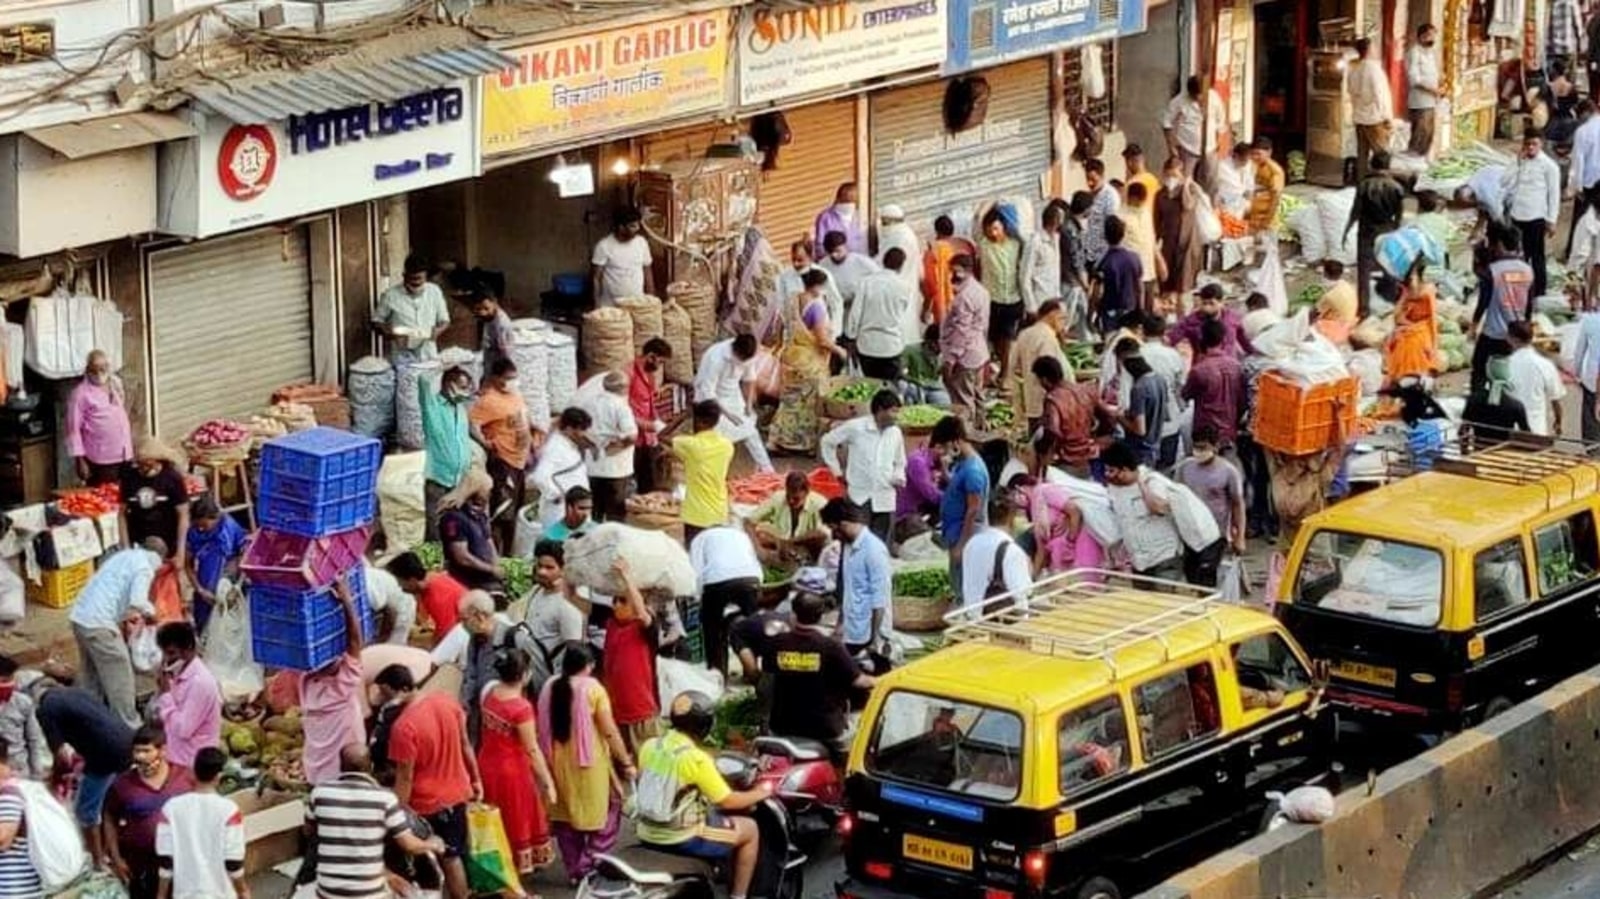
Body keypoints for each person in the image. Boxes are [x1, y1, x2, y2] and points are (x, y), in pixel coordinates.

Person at [635, 692, 772, 899]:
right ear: (705, 725)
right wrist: (761, 792)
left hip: (646, 829)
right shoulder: (696, 759)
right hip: (680, 836)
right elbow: (728, 800)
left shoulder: (650, 746)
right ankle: (739, 895)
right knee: (750, 829)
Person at [377, 662, 481, 899]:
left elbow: (405, 776)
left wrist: (397, 811)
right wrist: (476, 779)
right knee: (456, 853)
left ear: (397, 689)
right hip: (458, 793)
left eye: (384, 693)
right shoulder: (447, 702)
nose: (382, 700)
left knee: (442, 859)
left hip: (427, 804)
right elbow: (466, 744)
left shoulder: (404, 728)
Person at [538, 644, 634, 885]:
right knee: (608, 812)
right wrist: (625, 760)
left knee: (566, 819)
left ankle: (574, 871)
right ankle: (586, 866)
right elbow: (609, 731)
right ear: (589, 665)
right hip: (588, 765)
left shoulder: (550, 686)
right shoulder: (593, 689)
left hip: (556, 762)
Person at [305, 744, 445, 899]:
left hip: (328, 891)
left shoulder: (319, 793)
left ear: (340, 766)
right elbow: (410, 845)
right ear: (370, 767)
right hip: (368, 893)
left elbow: (309, 831)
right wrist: (434, 843)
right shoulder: (385, 799)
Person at [32, 680, 134, 862]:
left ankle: (98, 862)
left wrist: (53, 783)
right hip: (128, 741)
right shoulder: (78, 692)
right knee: (110, 803)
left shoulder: (45, 709)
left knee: (85, 813)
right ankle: (112, 852)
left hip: (105, 755)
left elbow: (60, 754)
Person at [480, 648, 558, 876]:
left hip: (487, 763)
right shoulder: (521, 708)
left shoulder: (490, 694)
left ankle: (495, 871)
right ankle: (512, 876)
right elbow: (532, 749)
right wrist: (548, 782)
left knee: (495, 820)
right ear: (524, 674)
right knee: (516, 820)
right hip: (512, 772)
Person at [767, 592, 874, 758]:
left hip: (782, 725)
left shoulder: (777, 643)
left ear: (793, 614)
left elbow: (766, 673)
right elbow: (860, 682)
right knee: (860, 743)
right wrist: (882, 680)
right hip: (825, 728)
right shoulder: (831, 646)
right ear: (821, 617)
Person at [1101, 441, 1222, 585]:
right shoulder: (1114, 489)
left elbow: (1158, 508)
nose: (1107, 475)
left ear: (1125, 470)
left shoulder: (1154, 482)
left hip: (1164, 557)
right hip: (1139, 560)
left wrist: (1142, 485)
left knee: (1164, 602)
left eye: (1111, 470)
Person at [70, 540, 161, 728]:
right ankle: (128, 725)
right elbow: (138, 601)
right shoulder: (145, 566)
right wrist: (152, 613)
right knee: (120, 672)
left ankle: (85, 719)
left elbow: (116, 594)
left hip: (79, 616)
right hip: (98, 623)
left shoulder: (123, 556)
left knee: (92, 674)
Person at [104, 727, 195, 899]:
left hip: (184, 863)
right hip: (143, 867)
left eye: (146, 750)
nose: (140, 756)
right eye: (137, 751)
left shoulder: (185, 777)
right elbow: (109, 818)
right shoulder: (122, 785)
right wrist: (116, 858)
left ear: (162, 750)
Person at [771, 266, 847, 457]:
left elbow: (779, 324)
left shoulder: (792, 300)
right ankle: (803, 444)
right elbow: (822, 340)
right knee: (808, 403)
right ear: (817, 287)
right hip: (809, 361)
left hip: (791, 357)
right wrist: (839, 351)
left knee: (789, 401)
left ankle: (780, 440)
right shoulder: (816, 307)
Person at [297, 578, 367, 786]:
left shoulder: (306, 684)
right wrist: (346, 597)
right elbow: (355, 641)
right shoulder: (342, 687)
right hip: (340, 775)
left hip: (316, 774)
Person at [154, 747, 247, 899]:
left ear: (193, 773)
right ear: (219, 776)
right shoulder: (229, 810)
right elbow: (233, 860)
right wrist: (243, 891)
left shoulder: (171, 808)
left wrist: (161, 895)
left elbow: (166, 860)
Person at [820, 390, 906, 544]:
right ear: (880, 409)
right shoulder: (856, 427)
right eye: (893, 411)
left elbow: (900, 461)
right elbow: (827, 442)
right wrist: (837, 472)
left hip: (885, 496)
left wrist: (898, 477)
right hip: (860, 496)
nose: (896, 416)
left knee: (881, 544)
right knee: (857, 542)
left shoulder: (895, 433)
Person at [469, 358, 534, 547]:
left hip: (520, 461)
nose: (513, 381)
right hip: (504, 462)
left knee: (516, 508)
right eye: (508, 378)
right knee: (503, 511)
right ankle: (498, 552)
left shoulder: (515, 395)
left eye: (514, 377)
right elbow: (472, 424)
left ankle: (510, 550)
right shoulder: (488, 401)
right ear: (496, 378)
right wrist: (485, 443)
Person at [603, 558, 660, 754]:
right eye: (615, 600)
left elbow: (641, 612)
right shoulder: (611, 624)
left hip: (641, 712)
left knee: (648, 763)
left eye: (623, 601)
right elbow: (577, 602)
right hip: (616, 711)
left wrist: (626, 576)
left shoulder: (643, 628)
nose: (616, 605)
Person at [690, 525, 762, 678]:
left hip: (716, 580)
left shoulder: (700, 538)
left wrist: (699, 599)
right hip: (751, 578)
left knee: (713, 629)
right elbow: (754, 559)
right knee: (750, 627)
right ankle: (752, 672)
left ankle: (718, 674)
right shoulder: (740, 534)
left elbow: (696, 570)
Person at [695, 334, 773, 472]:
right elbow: (708, 392)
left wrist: (748, 405)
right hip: (710, 401)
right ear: (735, 351)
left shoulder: (750, 354)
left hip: (733, 396)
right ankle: (716, 473)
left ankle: (767, 470)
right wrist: (728, 415)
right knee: (717, 441)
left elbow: (750, 379)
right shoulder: (715, 358)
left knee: (750, 431)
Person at [1473, 224, 1535, 394]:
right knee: (1505, 374)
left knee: (1480, 370)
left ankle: (1479, 407)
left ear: (1500, 244)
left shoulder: (1493, 271)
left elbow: (1483, 301)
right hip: (1516, 333)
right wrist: (1527, 326)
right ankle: (1500, 403)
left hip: (1493, 332)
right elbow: (1530, 303)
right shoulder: (1528, 270)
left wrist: (1474, 324)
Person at [1503, 129, 1562, 302]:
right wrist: (1517, 163)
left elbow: (1554, 195)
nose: (1530, 148)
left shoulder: (1550, 166)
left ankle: (1539, 292)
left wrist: (1552, 220)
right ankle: (1516, 289)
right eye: (1527, 144)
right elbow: (1504, 181)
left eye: (1534, 144)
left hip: (1536, 217)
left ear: (1541, 145)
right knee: (1517, 254)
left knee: (1536, 255)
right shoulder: (1519, 162)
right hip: (1516, 215)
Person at [151, 622, 221, 769]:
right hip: (173, 755)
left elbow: (183, 730)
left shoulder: (200, 683)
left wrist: (165, 695)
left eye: (171, 653)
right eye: (163, 652)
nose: (166, 659)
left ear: (188, 649)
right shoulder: (176, 674)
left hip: (190, 762)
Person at [1345, 150, 1406, 317]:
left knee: (1364, 270)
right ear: (1388, 166)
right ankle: (1391, 304)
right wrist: (1397, 231)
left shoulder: (1364, 185)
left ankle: (1363, 310)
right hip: (1387, 230)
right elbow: (1399, 215)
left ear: (1372, 165)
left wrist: (1347, 230)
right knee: (1390, 266)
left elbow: (1355, 211)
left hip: (1366, 232)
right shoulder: (1397, 187)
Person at [932, 416, 989, 586]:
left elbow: (973, 509)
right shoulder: (964, 464)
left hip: (967, 538)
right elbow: (958, 487)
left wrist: (961, 546)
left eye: (946, 446)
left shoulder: (973, 470)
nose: (945, 451)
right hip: (955, 534)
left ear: (955, 442)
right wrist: (945, 473)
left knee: (963, 585)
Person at [1174, 429, 1247, 563]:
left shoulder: (1228, 471)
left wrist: (1240, 537)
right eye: (1196, 447)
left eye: (1203, 447)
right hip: (1189, 533)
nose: (1199, 451)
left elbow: (1238, 504)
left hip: (1217, 535)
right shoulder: (1184, 467)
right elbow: (1176, 496)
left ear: (1215, 447)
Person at [1010, 474, 1106, 575]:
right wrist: (1031, 580)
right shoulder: (1034, 509)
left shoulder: (1045, 490)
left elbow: (1075, 511)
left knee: (1087, 583)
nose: (1015, 501)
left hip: (1081, 547)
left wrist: (1069, 541)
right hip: (1061, 557)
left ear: (1020, 488)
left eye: (1013, 494)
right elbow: (1041, 551)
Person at [420, 365, 474, 541]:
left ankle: (452, 563)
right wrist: (443, 365)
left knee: (455, 528)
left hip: (459, 480)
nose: (465, 392)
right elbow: (423, 380)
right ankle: (434, 565)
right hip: (438, 481)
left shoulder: (460, 409)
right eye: (462, 386)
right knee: (435, 527)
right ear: (449, 385)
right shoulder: (433, 406)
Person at [955, 496, 1033, 615]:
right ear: (1011, 518)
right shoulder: (1012, 551)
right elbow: (1023, 591)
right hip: (1004, 622)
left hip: (972, 615)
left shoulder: (971, 543)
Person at [578, 371, 639, 523]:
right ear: (624, 388)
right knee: (615, 513)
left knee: (595, 510)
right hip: (616, 469)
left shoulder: (588, 403)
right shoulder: (621, 406)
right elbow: (631, 436)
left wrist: (595, 446)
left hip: (593, 467)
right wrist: (610, 448)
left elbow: (581, 432)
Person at [1033, 357, 1110, 477]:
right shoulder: (1085, 390)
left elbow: (1052, 431)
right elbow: (1107, 416)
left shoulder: (1053, 399)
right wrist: (1097, 438)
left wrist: (1041, 449)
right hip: (1086, 455)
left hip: (1065, 458)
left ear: (1044, 379)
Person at [66, 349, 133, 486]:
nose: (99, 373)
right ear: (87, 370)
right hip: (101, 459)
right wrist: (80, 460)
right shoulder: (80, 394)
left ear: (108, 367)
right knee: (104, 497)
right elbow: (73, 430)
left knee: (126, 494)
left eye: (103, 368)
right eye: (94, 369)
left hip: (124, 453)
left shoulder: (115, 384)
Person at [845, 249, 913, 380]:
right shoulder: (905, 287)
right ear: (901, 266)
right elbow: (903, 316)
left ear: (883, 262)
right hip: (891, 346)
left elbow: (855, 314)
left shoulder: (866, 282)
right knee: (889, 387)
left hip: (867, 345)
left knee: (870, 386)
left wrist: (851, 337)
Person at [673, 401, 735, 544]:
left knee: (694, 556)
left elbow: (661, 436)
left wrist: (682, 417)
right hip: (719, 511)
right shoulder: (727, 445)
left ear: (698, 421)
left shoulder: (691, 445)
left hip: (696, 515)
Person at [120, 438, 190, 565]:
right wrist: (125, 548)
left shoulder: (172, 478)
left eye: (147, 463)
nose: (142, 468)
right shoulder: (129, 478)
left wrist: (180, 552)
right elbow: (122, 513)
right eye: (140, 464)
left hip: (167, 540)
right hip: (138, 538)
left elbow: (183, 515)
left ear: (158, 461)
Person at [183, 495, 245, 635]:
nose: (201, 529)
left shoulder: (229, 528)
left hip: (227, 590)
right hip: (205, 591)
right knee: (204, 630)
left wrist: (236, 586)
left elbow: (243, 555)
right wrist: (200, 590)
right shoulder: (193, 533)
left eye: (204, 525)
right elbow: (188, 565)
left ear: (215, 518)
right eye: (198, 525)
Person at [976, 208, 1025, 386]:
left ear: (1004, 227)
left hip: (1013, 299)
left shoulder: (1016, 245)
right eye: (989, 230)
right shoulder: (983, 245)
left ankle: (1005, 374)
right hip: (992, 300)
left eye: (996, 229)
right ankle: (999, 369)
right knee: (995, 339)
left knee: (1008, 338)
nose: (993, 233)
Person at [939, 254, 990, 420]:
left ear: (967, 271)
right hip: (979, 352)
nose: (952, 275)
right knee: (977, 395)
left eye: (955, 271)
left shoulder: (964, 297)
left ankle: (967, 435)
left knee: (964, 401)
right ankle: (981, 430)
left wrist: (950, 360)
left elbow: (962, 331)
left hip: (965, 356)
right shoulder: (981, 291)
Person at [373, 253, 450, 364]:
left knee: (427, 380)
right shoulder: (390, 295)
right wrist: (391, 334)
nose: (416, 282)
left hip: (427, 352)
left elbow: (445, 321)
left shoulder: (434, 292)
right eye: (412, 280)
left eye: (419, 279)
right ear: (404, 275)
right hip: (401, 354)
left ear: (426, 276)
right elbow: (377, 322)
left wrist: (437, 331)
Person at [436, 469, 503, 594]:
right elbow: (462, 557)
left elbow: (489, 542)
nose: (490, 494)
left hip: (485, 579)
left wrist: (497, 565)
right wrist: (491, 569)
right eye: (487, 490)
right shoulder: (454, 518)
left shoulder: (480, 516)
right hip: (466, 581)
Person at [1183, 319, 1244, 454]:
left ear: (1202, 340)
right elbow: (1242, 400)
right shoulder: (1237, 367)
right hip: (1229, 429)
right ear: (1223, 340)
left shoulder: (1199, 370)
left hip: (1205, 430)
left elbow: (1185, 395)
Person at [522, 541, 588, 663]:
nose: (542, 572)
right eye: (540, 566)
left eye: (549, 568)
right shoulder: (536, 591)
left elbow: (574, 648)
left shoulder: (569, 605)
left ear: (564, 570)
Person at [746, 471, 829, 565]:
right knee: (760, 535)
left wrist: (790, 542)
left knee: (819, 538)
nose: (791, 501)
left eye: (796, 499)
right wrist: (759, 550)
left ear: (806, 492)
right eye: (788, 497)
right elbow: (748, 521)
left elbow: (823, 533)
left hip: (804, 544)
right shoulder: (778, 497)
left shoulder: (820, 503)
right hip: (780, 540)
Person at [1161, 76, 1229, 190]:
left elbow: (1221, 120)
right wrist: (1171, 146)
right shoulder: (1179, 101)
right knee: (1184, 181)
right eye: (1195, 95)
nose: (1198, 97)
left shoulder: (1214, 98)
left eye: (1201, 94)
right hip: (1187, 148)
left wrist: (1218, 141)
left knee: (1211, 181)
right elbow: (1166, 123)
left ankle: (1208, 206)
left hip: (1210, 148)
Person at [1154, 155, 1204, 311]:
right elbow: (1157, 220)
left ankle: (1184, 319)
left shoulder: (1191, 190)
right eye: (1168, 175)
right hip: (1168, 245)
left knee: (1184, 289)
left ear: (1181, 174)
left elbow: (1189, 206)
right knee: (1166, 286)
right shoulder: (1160, 195)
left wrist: (1186, 185)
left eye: (1174, 175)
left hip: (1187, 244)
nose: (1170, 179)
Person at [1012, 300, 1070, 431]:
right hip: (1047, 403)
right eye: (1062, 318)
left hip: (1031, 400)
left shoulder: (1024, 334)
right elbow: (1050, 373)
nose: (1064, 323)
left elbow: (1014, 367)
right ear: (1052, 315)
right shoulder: (1047, 337)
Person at [387, 552, 466, 646]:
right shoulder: (431, 580)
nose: (400, 586)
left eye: (400, 582)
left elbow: (447, 633)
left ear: (412, 580)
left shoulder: (436, 594)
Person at [628, 338, 674, 496]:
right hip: (632, 435)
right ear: (651, 356)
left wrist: (656, 420)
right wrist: (646, 425)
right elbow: (621, 409)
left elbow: (650, 401)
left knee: (648, 479)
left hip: (647, 437)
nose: (659, 366)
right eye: (660, 362)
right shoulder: (629, 373)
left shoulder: (650, 374)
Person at [1385, 260, 1442, 386]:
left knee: (1413, 344)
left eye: (1413, 276)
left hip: (1422, 330)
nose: (1411, 279)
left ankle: (1416, 378)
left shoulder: (1428, 291)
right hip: (1408, 329)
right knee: (1399, 341)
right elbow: (1397, 317)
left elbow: (1432, 320)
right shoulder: (1406, 292)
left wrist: (1433, 347)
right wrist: (1405, 296)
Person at [1505, 320, 1566, 436]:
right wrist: (1558, 423)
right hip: (1537, 430)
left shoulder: (1503, 365)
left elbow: (1493, 399)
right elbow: (1556, 400)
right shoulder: (1546, 365)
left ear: (1511, 339)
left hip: (1508, 430)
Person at [1347, 38, 1394, 183]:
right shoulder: (1374, 69)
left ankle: (1361, 182)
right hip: (1375, 118)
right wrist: (1387, 117)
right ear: (1369, 50)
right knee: (1381, 153)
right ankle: (1382, 183)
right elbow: (1381, 95)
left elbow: (1351, 91)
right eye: (1374, 47)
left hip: (1360, 116)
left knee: (1362, 154)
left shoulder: (1354, 69)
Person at [876, 205, 924, 341]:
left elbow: (883, 263)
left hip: (896, 285)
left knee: (899, 323)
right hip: (906, 285)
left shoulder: (898, 238)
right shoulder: (906, 234)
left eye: (884, 223)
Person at [1116, 342, 1168, 467]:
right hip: (1155, 444)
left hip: (1141, 450)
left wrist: (1120, 418)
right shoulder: (1159, 379)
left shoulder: (1139, 388)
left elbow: (1140, 430)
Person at [591, 206, 654, 306]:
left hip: (637, 305)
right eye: (632, 226)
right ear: (621, 227)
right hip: (611, 307)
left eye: (638, 225)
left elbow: (648, 272)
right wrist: (597, 305)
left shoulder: (642, 243)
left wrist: (651, 299)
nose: (637, 229)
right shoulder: (603, 246)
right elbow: (596, 278)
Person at [921, 215, 977, 325]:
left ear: (936, 231)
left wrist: (925, 308)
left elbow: (930, 284)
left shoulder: (933, 252)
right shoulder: (965, 246)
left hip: (943, 306)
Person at [1094, 217, 1142, 335]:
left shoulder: (1104, 262)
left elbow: (1097, 292)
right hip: (1130, 308)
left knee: (1111, 344)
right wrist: (1140, 308)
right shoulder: (1135, 258)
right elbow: (1140, 287)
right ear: (1124, 234)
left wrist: (1092, 313)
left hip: (1110, 310)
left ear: (1105, 236)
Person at [1120, 182, 1161, 311]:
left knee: (1148, 307)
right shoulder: (1121, 216)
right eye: (1139, 201)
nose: (1142, 204)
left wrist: (1159, 260)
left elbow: (1151, 237)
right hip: (1131, 270)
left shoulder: (1146, 213)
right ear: (1131, 198)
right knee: (1134, 308)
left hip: (1149, 269)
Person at [0, 661, 44, 782]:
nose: (8, 685)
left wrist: (36, 774)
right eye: (3, 681)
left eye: (10, 680)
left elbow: (33, 739)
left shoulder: (23, 702)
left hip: (18, 770)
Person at [819, 230, 880, 318]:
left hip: (859, 311)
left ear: (845, 246)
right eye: (830, 252)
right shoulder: (823, 265)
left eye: (837, 251)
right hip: (836, 313)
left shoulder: (861, 261)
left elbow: (879, 278)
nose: (834, 255)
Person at [1020, 203, 1064, 315]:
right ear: (1054, 222)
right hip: (1040, 301)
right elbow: (1024, 276)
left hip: (1054, 297)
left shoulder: (1056, 239)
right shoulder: (1035, 242)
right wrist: (1031, 307)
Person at [1406, 24, 1441, 157]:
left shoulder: (1430, 53)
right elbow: (1414, 79)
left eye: (1434, 35)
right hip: (1420, 102)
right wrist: (1432, 90)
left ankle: (1421, 165)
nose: (1433, 39)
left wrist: (1439, 87)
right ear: (1422, 37)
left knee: (1428, 136)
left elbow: (1432, 75)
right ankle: (1410, 168)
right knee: (1419, 137)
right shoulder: (1414, 52)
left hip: (1431, 101)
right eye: (1430, 36)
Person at [1081, 159, 1122, 267]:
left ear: (1102, 176)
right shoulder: (1089, 196)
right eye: (1087, 179)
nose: (1090, 183)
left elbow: (1112, 228)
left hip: (1103, 256)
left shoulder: (1110, 197)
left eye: (1093, 179)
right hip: (1089, 253)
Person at [1573, 287, 1600, 440]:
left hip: (1591, 378)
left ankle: (1592, 451)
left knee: (1591, 418)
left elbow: (1579, 352)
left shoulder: (1589, 320)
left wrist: (1576, 374)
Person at [472, 287, 518, 377]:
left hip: (500, 373)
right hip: (490, 367)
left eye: (486, 308)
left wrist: (503, 375)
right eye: (478, 309)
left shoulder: (502, 324)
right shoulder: (489, 319)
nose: (482, 312)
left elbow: (506, 353)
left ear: (495, 302)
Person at [1247, 139, 1286, 242]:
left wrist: (1266, 223)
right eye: (1252, 154)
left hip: (1265, 222)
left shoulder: (1275, 172)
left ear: (1269, 152)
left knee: (1267, 253)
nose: (1255, 157)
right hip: (1252, 219)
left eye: (1258, 154)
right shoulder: (1255, 166)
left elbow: (1276, 197)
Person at [815, 182, 867, 257]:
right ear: (838, 198)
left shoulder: (860, 216)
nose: (849, 204)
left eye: (853, 200)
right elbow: (820, 246)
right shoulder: (826, 218)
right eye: (846, 200)